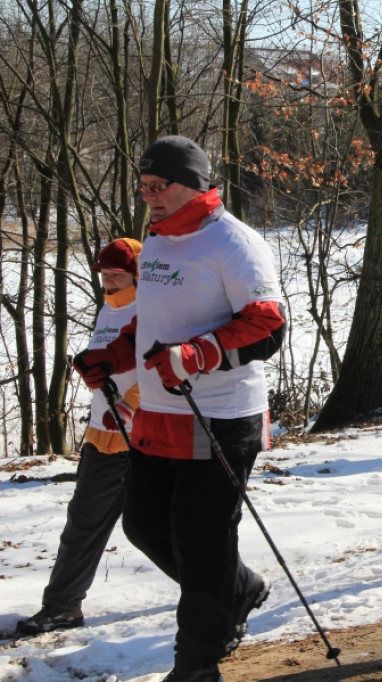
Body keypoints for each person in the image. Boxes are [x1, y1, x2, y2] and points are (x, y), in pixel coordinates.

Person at [71, 135, 287, 682]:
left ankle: (196, 665)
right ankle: (235, 589)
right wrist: (111, 357)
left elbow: (268, 325)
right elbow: (154, 323)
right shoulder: (160, 242)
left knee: (202, 541)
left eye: (157, 186)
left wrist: (199, 354)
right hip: (158, 416)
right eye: (142, 188)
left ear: (192, 182)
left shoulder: (233, 243)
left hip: (218, 415)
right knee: (144, 525)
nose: (148, 197)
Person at [16, 239, 142, 636]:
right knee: (83, 522)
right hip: (102, 433)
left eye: (116, 273)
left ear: (136, 272)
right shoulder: (109, 307)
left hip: (144, 437)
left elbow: (158, 366)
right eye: (103, 273)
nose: (108, 280)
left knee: (162, 529)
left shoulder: (151, 308)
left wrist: (130, 404)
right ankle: (63, 606)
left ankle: (223, 591)